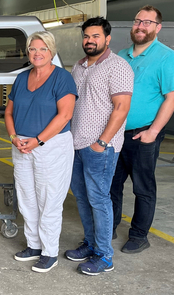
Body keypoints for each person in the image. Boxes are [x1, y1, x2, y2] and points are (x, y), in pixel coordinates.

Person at [66, 17, 134, 276]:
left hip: (100, 147)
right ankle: (91, 243)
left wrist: (102, 142)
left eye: (95, 36)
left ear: (107, 39)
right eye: (86, 36)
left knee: (98, 199)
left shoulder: (118, 66)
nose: (89, 40)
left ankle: (104, 255)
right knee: (82, 198)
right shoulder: (79, 66)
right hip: (76, 144)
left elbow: (121, 108)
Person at [4, 31, 77, 273]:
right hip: (22, 145)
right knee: (26, 197)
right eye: (33, 49)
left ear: (52, 52)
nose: (37, 53)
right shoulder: (21, 78)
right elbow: (8, 112)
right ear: (28, 53)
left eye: (43, 49)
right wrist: (14, 137)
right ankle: (34, 245)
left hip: (51, 145)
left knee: (49, 199)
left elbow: (65, 115)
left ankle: (49, 252)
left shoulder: (62, 78)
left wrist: (37, 140)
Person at [110, 5, 174, 254]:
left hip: (143, 134)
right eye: (138, 21)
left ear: (158, 28)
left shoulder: (166, 56)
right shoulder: (121, 56)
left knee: (143, 187)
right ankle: (110, 225)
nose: (140, 26)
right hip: (116, 133)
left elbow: (171, 98)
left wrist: (153, 132)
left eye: (147, 22)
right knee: (112, 184)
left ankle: (139, 235)